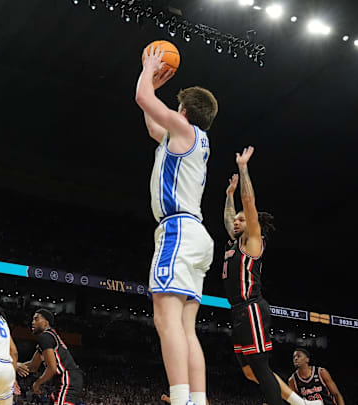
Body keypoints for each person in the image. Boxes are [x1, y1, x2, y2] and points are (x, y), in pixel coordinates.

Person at [135, 44, 218, 405]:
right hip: (197, 236)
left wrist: (148, 70)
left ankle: (181, 399)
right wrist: (151, 87)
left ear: (183, 111)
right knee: (186, 328)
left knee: (165, 319)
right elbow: (154, 125)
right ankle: (196, 401)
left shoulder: (182, 129)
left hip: (179, 230)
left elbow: (142, 98)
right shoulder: (190, 138)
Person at [223, 147, 321, 405]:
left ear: (252, 223)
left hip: (252, 307)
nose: (236, 222)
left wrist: (243, 169)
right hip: (238, 310)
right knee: (248, 370)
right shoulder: (233, 244)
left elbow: (249, 203)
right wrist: (228, 196)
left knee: (259, 364)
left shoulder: (253, 241)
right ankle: (303, 404)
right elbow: (228, 218)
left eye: (241, 220)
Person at [17, 309, 83, 405]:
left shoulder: (45, 337)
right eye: (32, 320)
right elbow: (33, 366)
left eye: (36, 319)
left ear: (46, 323)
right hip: (64, 380)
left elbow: (52, 368)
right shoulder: (48, 338)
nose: (33, 322)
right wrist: (15, 366)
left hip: (68, 378)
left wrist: (37, 383)